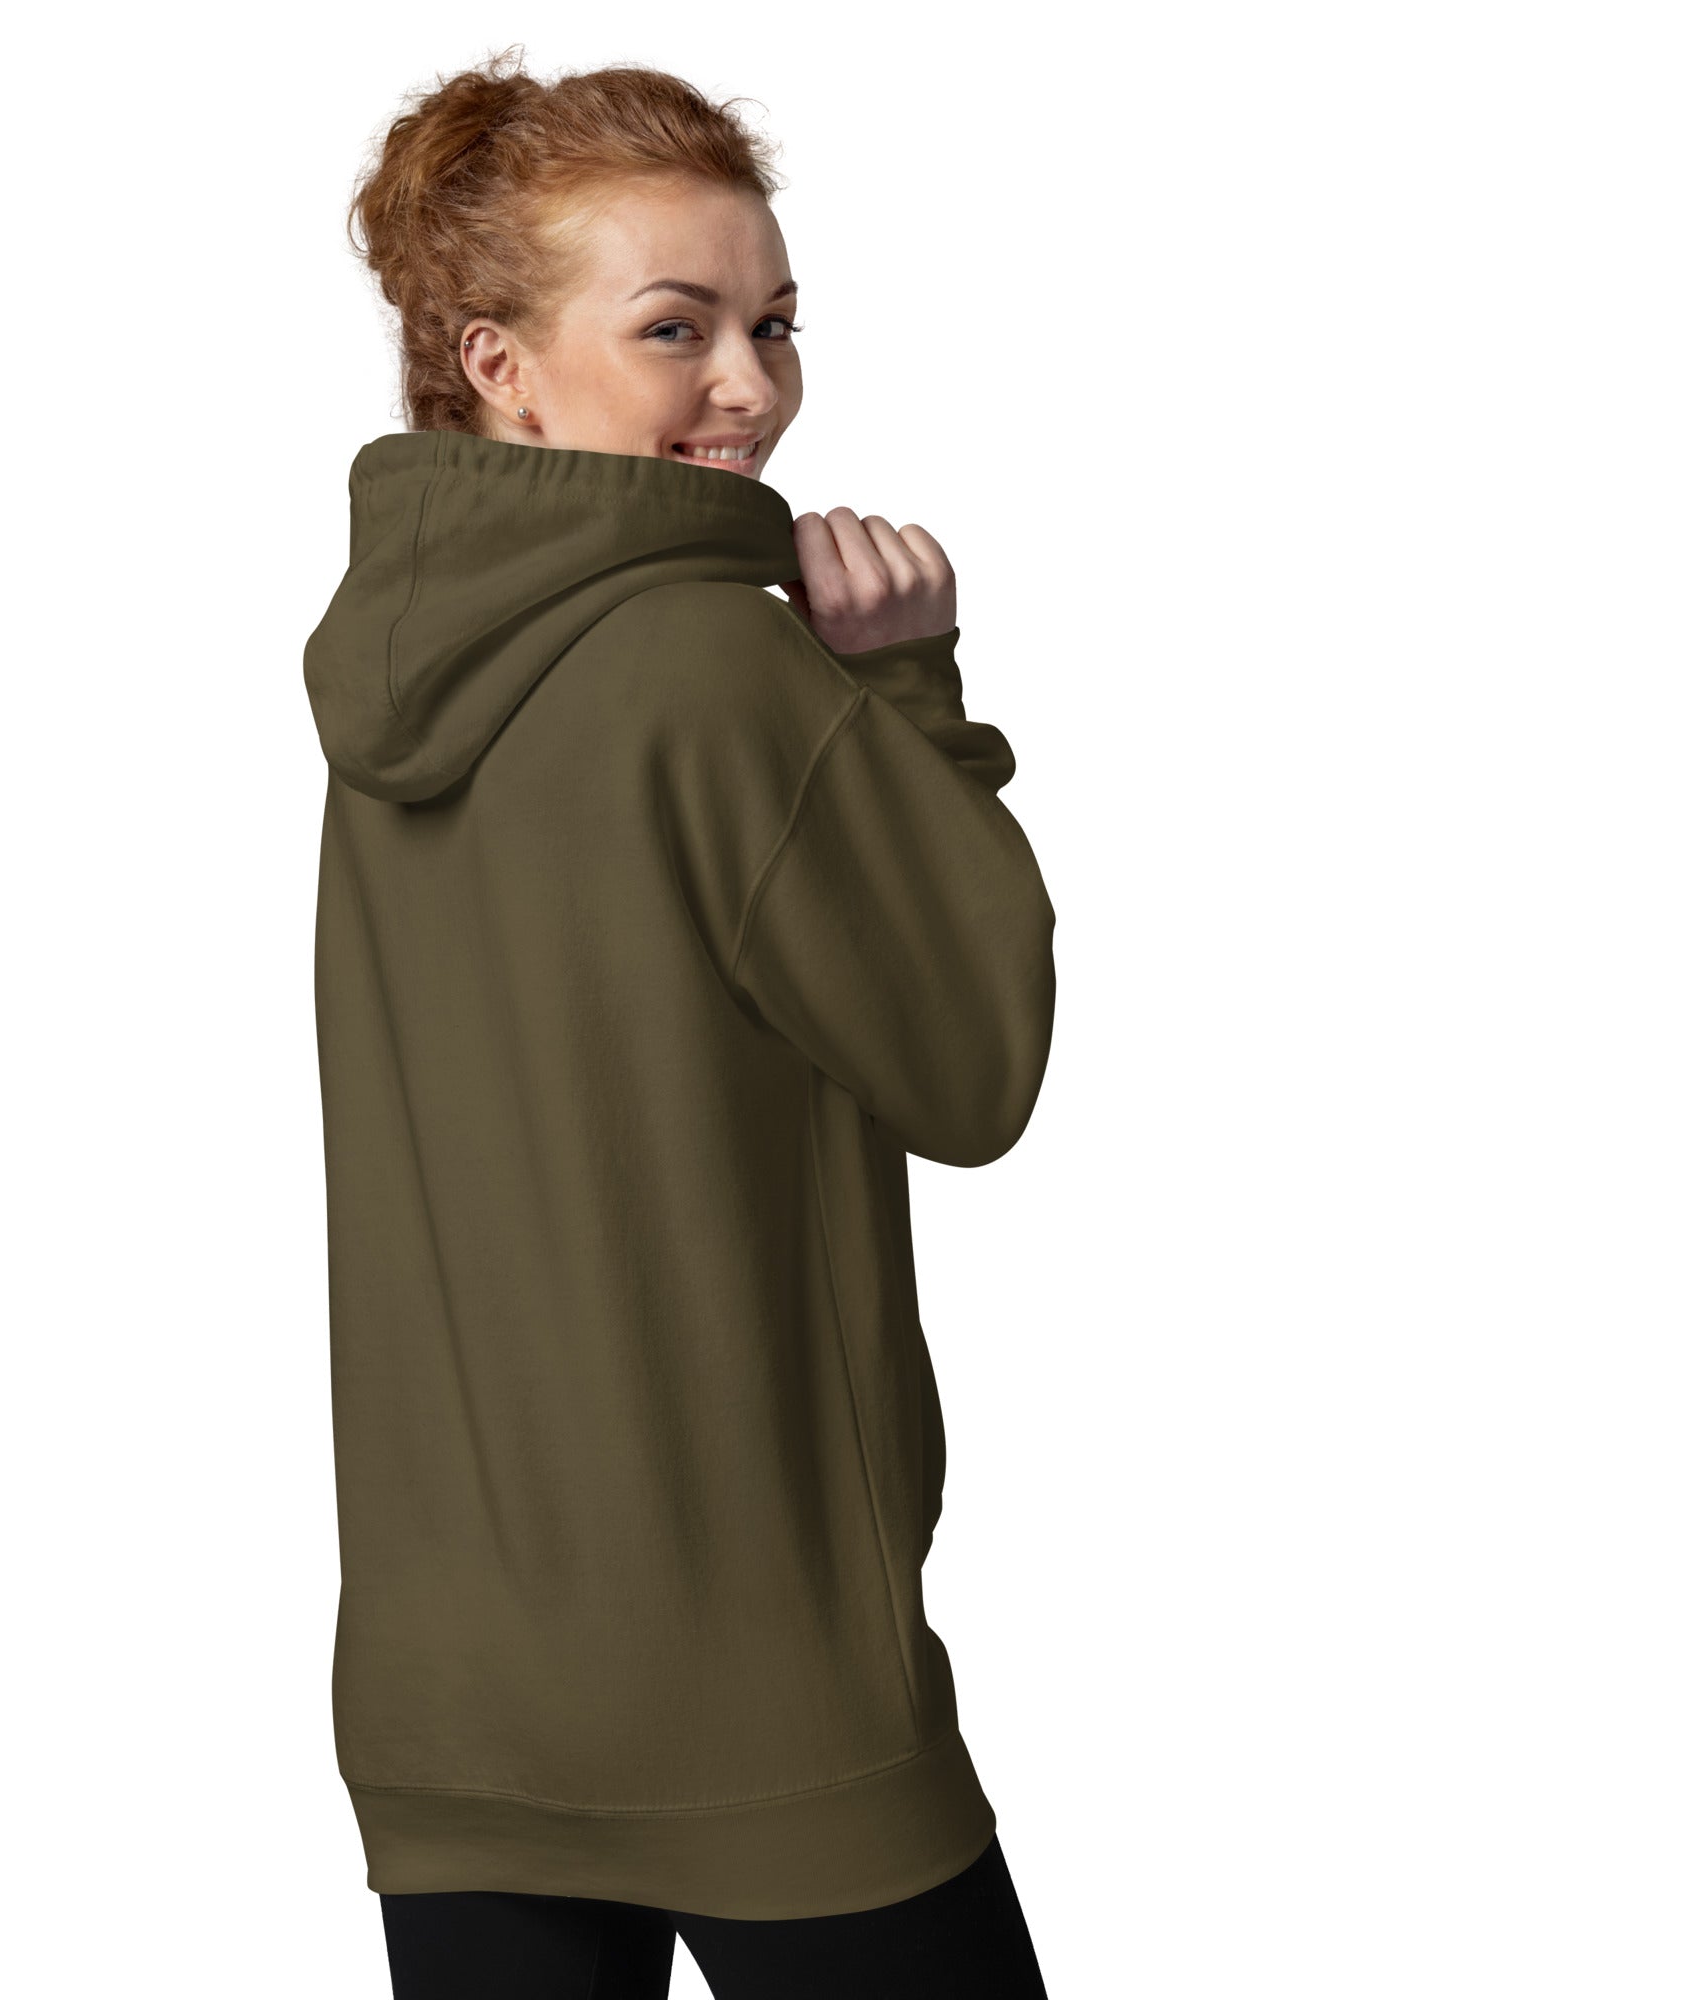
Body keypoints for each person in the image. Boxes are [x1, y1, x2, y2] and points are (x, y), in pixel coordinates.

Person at [303, 47, 1059, 1997]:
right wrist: (905, 699)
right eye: (675, 328)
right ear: (497, 363)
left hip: (454, 1689)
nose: (751, 385)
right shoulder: (723, 673)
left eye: (773, 324)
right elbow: (975, 1063)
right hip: (757, 1688)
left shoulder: (389, 694)